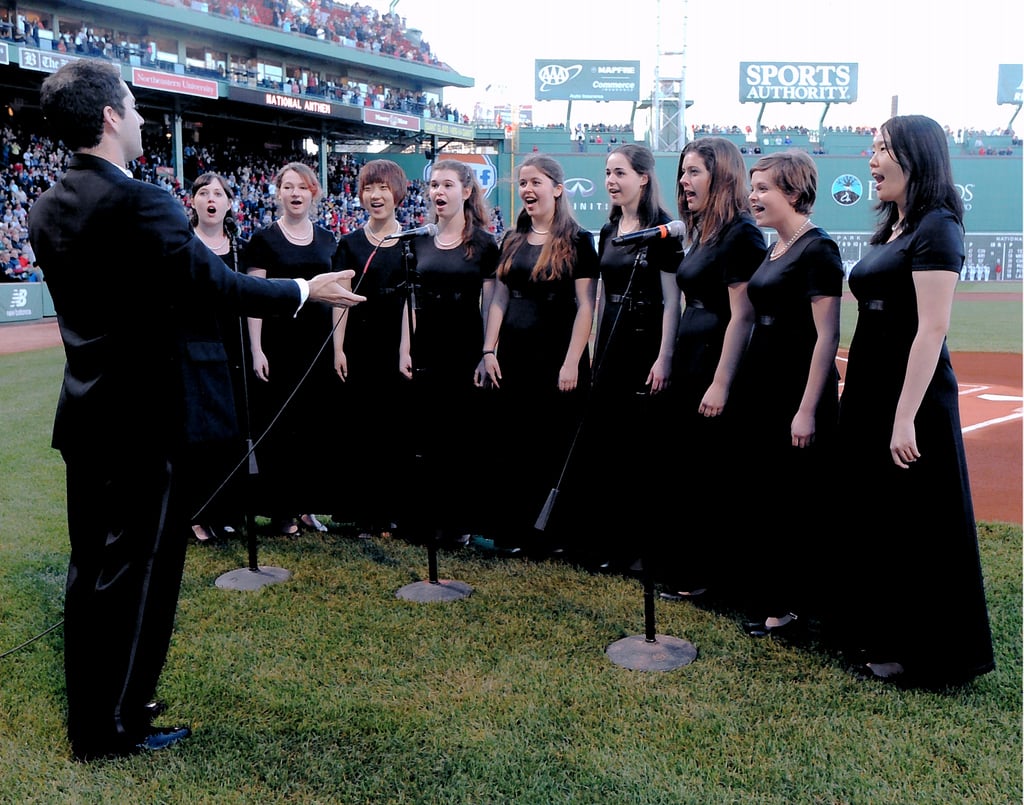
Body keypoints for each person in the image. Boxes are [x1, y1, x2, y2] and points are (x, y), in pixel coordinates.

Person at [26, 59, 363, 761]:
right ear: (111, 117)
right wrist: (306, 291)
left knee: (91, 571)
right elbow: (212, 283)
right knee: (141, 574)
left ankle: (99, 712)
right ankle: (114, 727)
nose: (146, 119)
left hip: (86, 416)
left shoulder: (47, 205)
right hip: (143, 422)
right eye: (136, 106)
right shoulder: (142, 201)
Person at [834, 115, 995, 686]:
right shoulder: (895, 229)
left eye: (882, 149)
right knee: (876, 515)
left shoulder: (937, 227)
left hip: (913, 396)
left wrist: (904, 418)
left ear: (916, 157)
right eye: (872, 148)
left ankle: (923, 650)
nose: (871, 160)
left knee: (916, 522)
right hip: (874, 384)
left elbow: (931, 330)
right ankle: (876, 630)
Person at [728, 151, 843, 637]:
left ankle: (795, 606)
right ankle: (769, 595)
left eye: (763, 189)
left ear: (794, 193)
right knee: (766, 494)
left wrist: (807, 409)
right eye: (752, 188)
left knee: (796, 501)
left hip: (795, 388)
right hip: (763, 380)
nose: (753, 197)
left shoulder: (818, 249)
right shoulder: (774, 248)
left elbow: (828, 337)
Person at [658, 137, 767, 600]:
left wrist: (721, 383)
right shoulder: (703, 229)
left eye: (694, 172)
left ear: (721, 176)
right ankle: (691, 568)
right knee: (690, 469)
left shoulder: (742, 233)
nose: (684, 181)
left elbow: (743, 316)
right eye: (683, 172)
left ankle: (711, 578)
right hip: (690, 355)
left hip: (714, 365)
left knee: (712, 473)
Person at [474, 153, 599, 556]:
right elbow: (499, 298)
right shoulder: (511, 239)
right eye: (523, 183)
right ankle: (511, 529)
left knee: (552, 444)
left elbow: (586, 305)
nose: (527, 189)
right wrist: (489, 349)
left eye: (536, 182)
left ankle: (551, 535)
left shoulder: (578, 240)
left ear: (557, 189)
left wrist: (570, 361)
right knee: (513, 444)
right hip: (513, 354)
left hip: (556, 358)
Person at [575, 144, 682, 570]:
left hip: (646, 343)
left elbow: (673, 301)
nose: (611, 181)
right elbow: (602, 296)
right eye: (607, 173)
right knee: (609, 445)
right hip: (612, 343)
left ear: (643, 177)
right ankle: (610, 542)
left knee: (643, 448)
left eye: (619, 172)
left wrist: (664, 356)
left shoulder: (662, 229)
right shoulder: (609, 229)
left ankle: (643, 549)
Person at [398, 158, 499, 545]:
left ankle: (460, 524)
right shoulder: (419, 240)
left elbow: (491, 304)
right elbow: (411, 298)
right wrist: (405, 346)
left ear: (467, 191)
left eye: (447, 185)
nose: (438, 192)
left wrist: (487, 351)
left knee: (461, 436)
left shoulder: (485, 243)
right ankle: (425, 519)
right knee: (427, 434)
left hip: (465, 344)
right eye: (434, 185)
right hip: (426, 343)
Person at [244, 162, 341, 537]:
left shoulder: (329, 240)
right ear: (278, 192)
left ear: (313, 192)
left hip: (316, 346)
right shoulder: (263, 240)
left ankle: (306, 509)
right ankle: (281, 511)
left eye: (303, 187)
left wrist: (337, 347)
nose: (296, 193)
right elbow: (253, 299)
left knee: (313, 430)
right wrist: (256, 349)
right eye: (288, 187)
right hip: (277, 346)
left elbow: (334, 298)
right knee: (278, 430)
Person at [332, 159, 413, 539]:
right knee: (360, 429)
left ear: (396, 192)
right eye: (368, 188)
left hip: (396, 344)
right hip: (359, 343)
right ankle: (364, 514)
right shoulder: (348, 244)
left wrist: (405, 349)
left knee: (394, 429)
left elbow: (412, 302)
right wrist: (338, 349)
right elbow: (340, 300)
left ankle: (395, 512)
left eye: (382, 188)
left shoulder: (413, 242)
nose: (375, 196)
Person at [185, 172, 250, 544]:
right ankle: (196, 515)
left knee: (231, 432)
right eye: (203, 193)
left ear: (228, 203)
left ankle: (227, 512)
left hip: (232, 346)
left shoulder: (239, 247)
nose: (211, 199)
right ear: (193, 201)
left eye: (218, 194)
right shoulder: (182, 244)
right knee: (198, 435)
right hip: (193, 347)